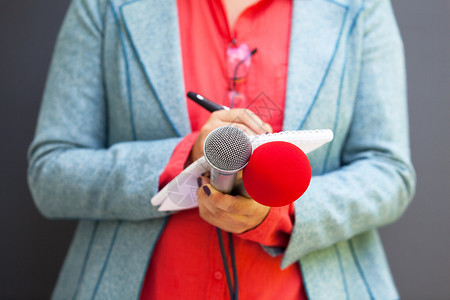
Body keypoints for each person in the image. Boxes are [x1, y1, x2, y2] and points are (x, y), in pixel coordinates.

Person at [27, 0, 416, 299]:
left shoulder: (360, 7)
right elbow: (51, 173)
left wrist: (282, 212)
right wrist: (188, 155)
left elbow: (388, 171)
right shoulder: (105, 7)